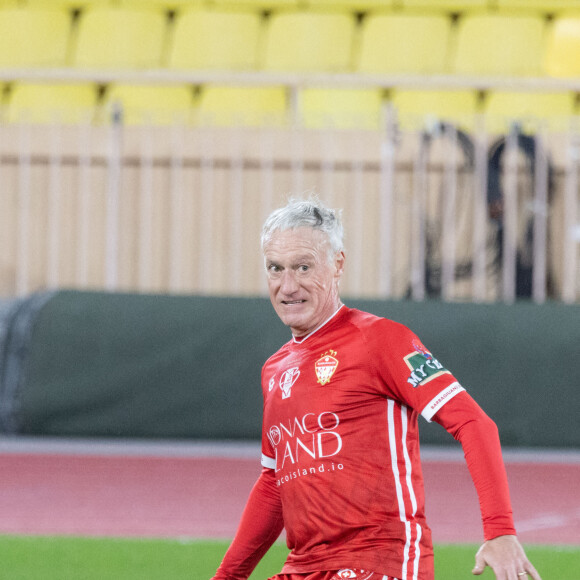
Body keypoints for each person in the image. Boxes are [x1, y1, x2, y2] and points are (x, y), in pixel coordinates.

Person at [212, 197, 541, 580]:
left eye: (303, 267)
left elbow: (474, 424)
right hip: (303, 568)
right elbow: (274, 484)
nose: (288, 286)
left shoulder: (380, 339)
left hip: (380, 562)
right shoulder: (275, 370)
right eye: (276, 268)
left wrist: (499, 530)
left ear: (337, 264)